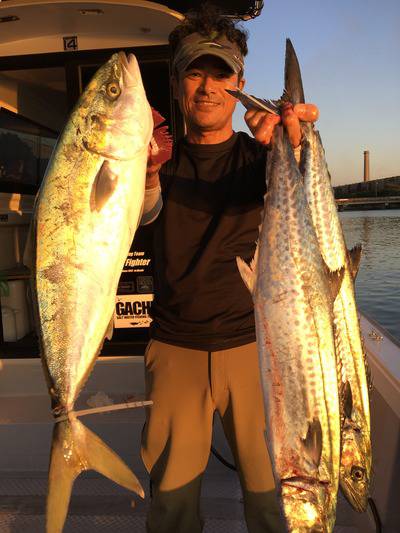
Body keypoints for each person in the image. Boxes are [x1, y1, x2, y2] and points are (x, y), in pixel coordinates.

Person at [140, 6, 318, 533]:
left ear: (240, 82)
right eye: (195, 72)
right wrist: (147, 172)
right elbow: (140, 214)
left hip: (259, 347)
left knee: (275, 503)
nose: (208, 87)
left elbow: (307, 203)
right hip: (176, 349)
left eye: (221, 74)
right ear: (176, 82)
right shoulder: (152, 159)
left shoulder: (264, 158)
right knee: (170, 508)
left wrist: (297, 144)